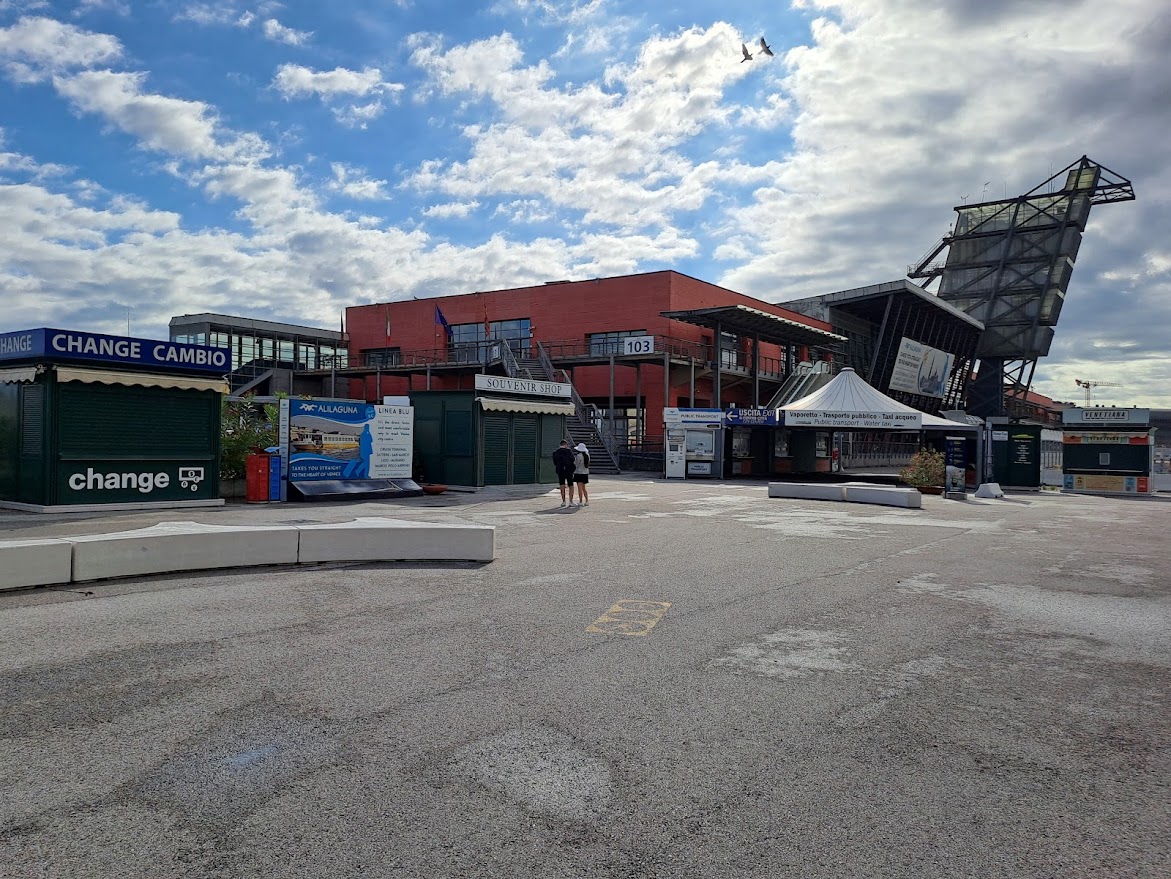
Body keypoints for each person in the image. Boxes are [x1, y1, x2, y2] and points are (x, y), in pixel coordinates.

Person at [552, 439, 577, 507]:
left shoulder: (555, 452)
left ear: (560, 444)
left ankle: (563, 501)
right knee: (571, 485)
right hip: (568, 470)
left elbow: (555, 462)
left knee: (562, 485)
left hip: (560, 470)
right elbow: (573, 459)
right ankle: (571, 501)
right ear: (566, 445)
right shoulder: (568, 451)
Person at [572, 442, 590, 507]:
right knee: (584, 488)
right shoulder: (587, 455)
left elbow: (576, 464)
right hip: (585, 473)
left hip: (579, 473)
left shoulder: (579, 456)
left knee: (579, 488)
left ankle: (580, 501)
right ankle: (587, 501)